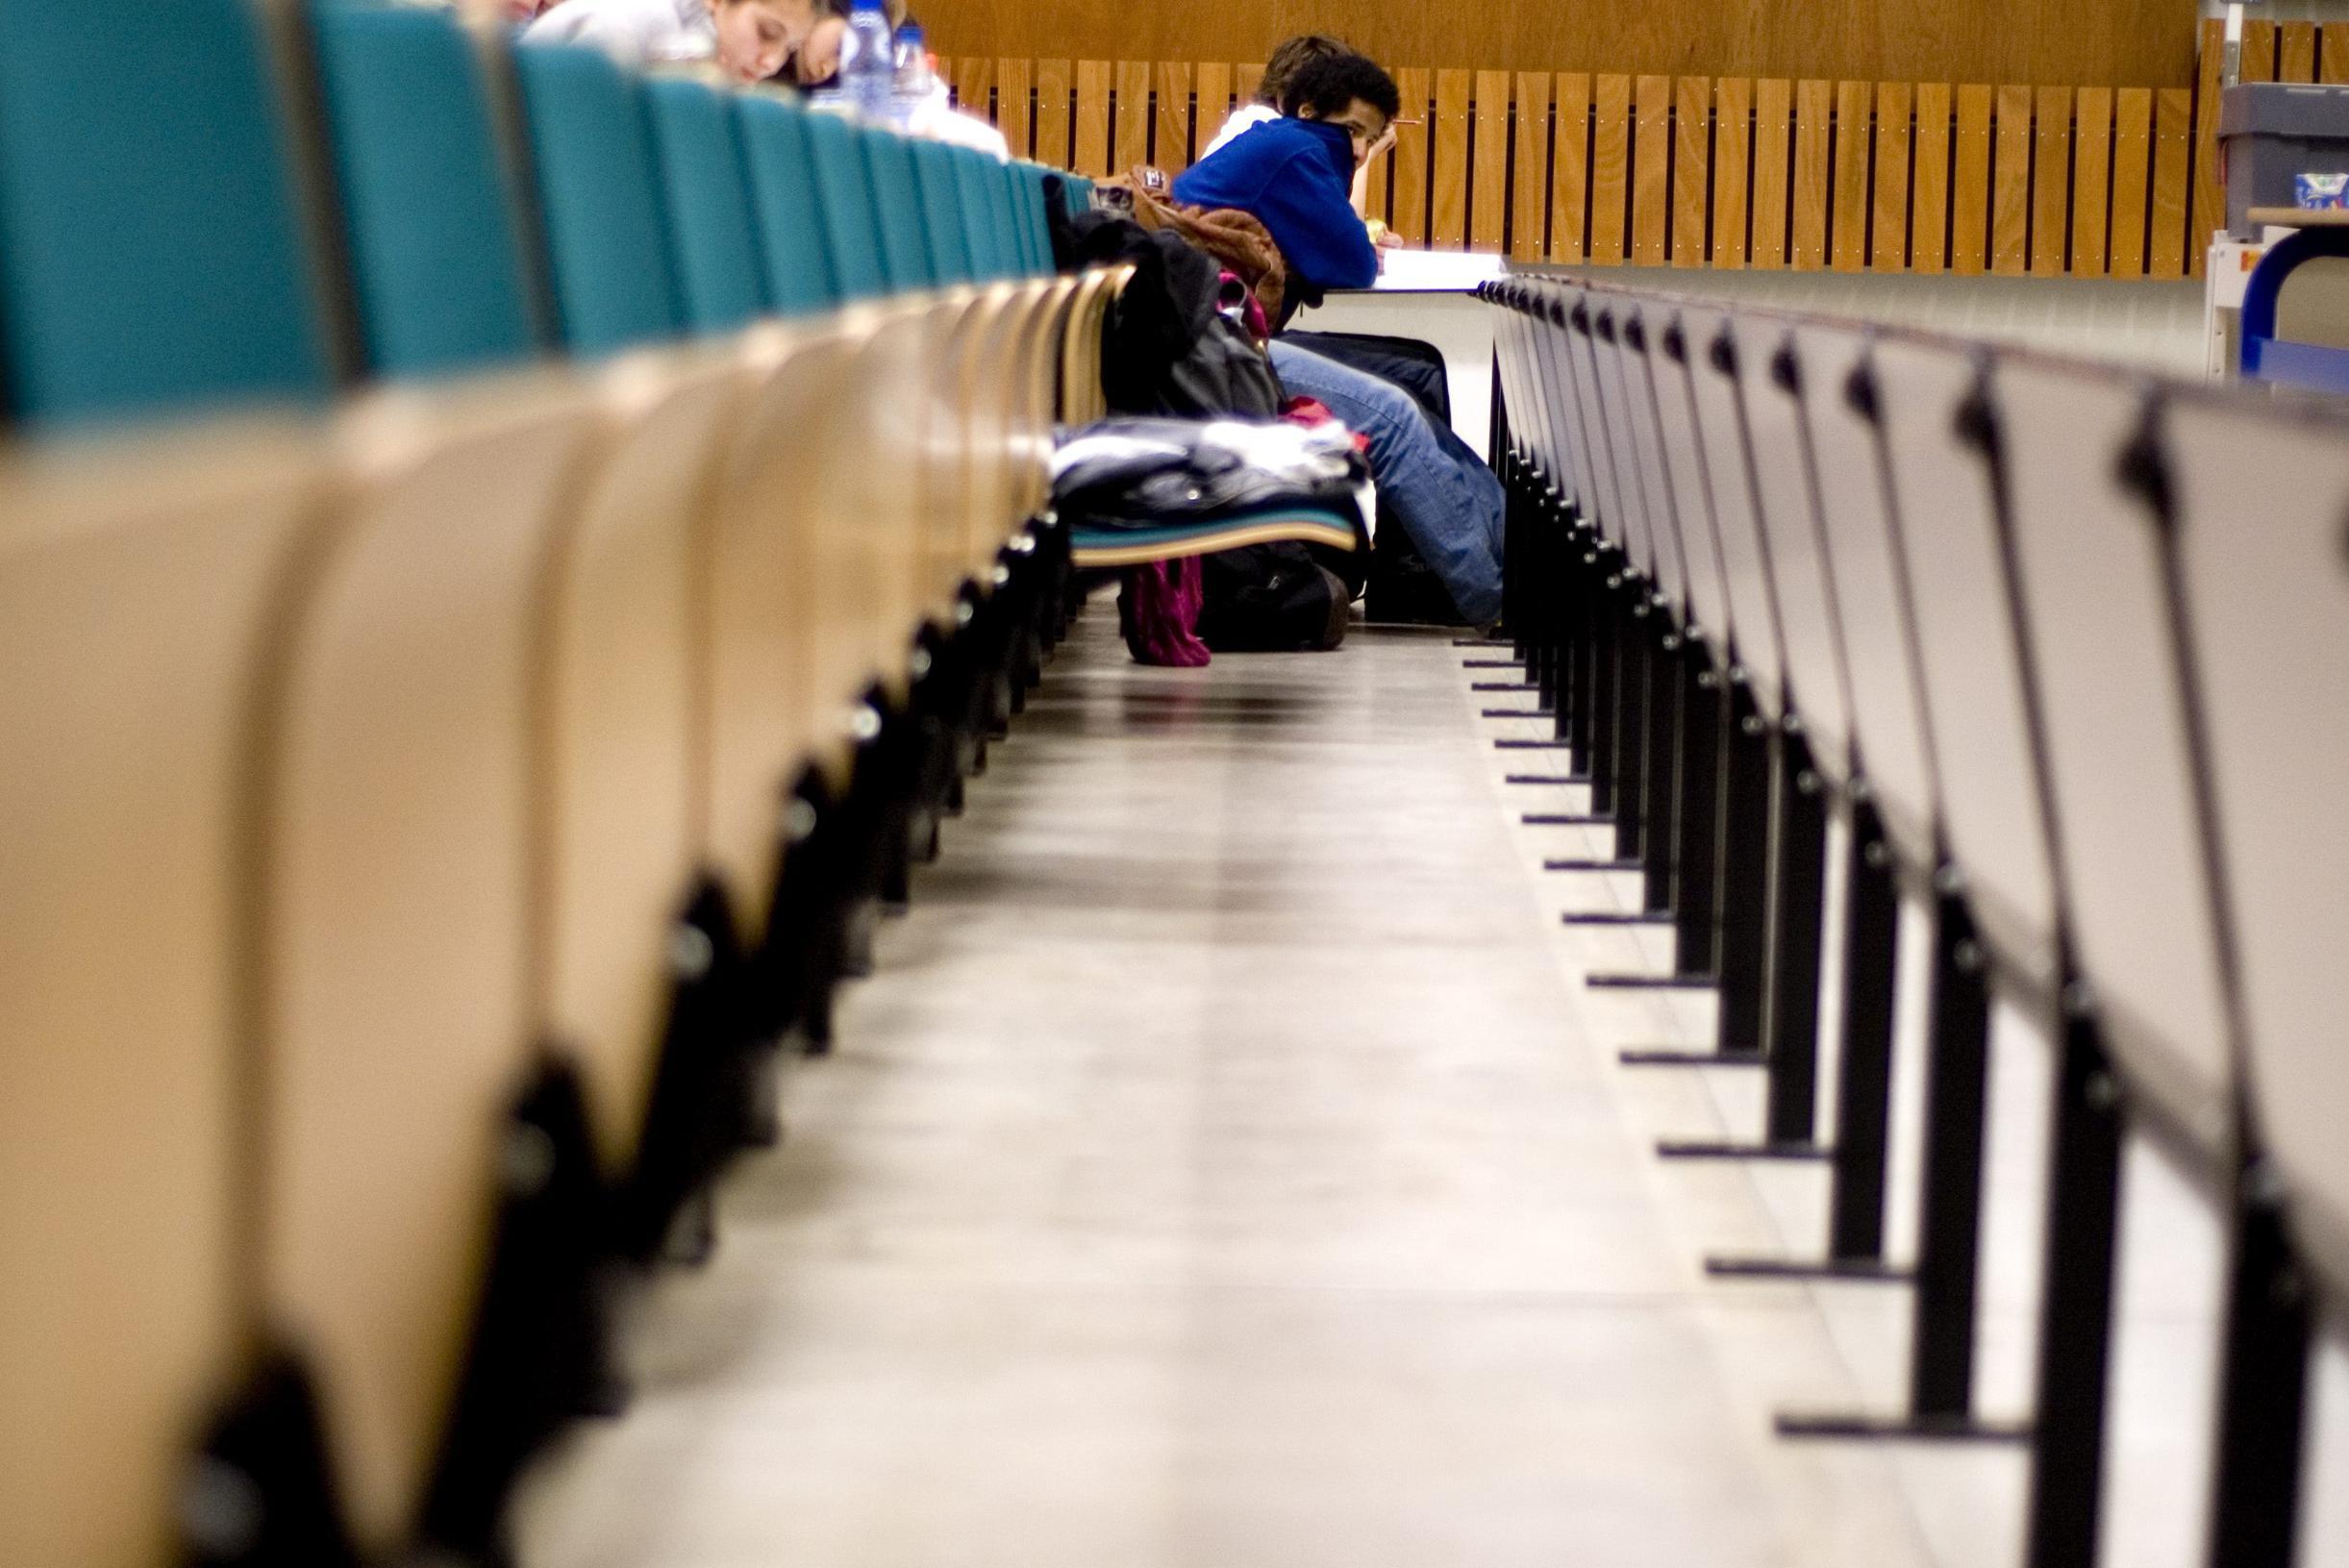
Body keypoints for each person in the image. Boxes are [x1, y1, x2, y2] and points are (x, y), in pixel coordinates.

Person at [1173, 53, 1504, 625]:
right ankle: (1494, 601)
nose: (1356, 150)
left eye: (1369, 139)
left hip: (1224, 335)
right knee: (1394, 417)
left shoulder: (1286, 146)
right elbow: (1352, 260)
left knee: (1412, 382)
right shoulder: (1297, 149)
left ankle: (1494, 564)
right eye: (1352, 131)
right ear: (1308, 110)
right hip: (1214, 350)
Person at [1201, 35, 1392, 225]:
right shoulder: (1276, 142)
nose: (1359, 150)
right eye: (1350, 128)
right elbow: (1341, 239)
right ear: (1289, 100)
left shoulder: (1257, 127)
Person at [522, 0, 812, 82]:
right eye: (767, 33)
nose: (771, 63)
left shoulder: (709, 70)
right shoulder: (624, 25)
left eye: (790, 49)